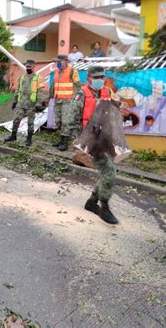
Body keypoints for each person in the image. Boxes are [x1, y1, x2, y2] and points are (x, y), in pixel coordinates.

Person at [68, 65, 118, 224]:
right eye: (95, 78)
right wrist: (77, 141)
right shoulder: (81, 94)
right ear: (88, 78)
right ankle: (104, 207)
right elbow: (71, 119)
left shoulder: (107, 92)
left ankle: (91, 202)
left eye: (101, 77)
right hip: (89, 139)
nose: (99, 80)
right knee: (109, 172)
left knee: (107, 170)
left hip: (104, 138)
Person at [4, 60, 44, 147]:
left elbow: (40, 92)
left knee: (30, 122)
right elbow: (18, 90)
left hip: (31, 104)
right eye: (27, 67)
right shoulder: (22, 77)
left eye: (29, 67)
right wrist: (14, 101)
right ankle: (13, 136)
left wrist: (39, 103)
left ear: (33, 67)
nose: (28, 68)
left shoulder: (38, 78)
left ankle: (29, 139)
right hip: (21, 103)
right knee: (16, 120)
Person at [50, 55, 81, 151]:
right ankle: (61, 140)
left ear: (66, 61)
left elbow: (78, 87)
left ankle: (65, 143)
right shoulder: (56, 71)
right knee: (58, 121)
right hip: (58, 99)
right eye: (57, 61)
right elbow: (54, 85)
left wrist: (76, 100)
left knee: (66, 121)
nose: (59, 63)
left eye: (61, 61)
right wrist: (50, 97)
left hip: (68, 100)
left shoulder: (72, 71)